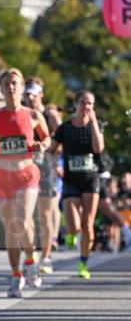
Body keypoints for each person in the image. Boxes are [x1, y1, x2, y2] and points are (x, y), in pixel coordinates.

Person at [0, 68, 50, 298]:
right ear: (1, 88)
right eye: (7, 83)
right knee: (11, 228)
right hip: (2, 176)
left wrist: (42, 145)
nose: (11, 87)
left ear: (21, 87)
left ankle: (30, 261)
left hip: (26, 175)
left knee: (22, 220)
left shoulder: (33, 115)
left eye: (15, 83)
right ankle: (16, 273)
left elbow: (47, 137)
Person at [47, 90, 104, 280]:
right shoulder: (65, 128)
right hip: (70, 179)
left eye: (90, 104)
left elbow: (98, 148)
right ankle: (71, 233)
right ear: (76, 105)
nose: (86, 107)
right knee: (73, 224)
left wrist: (94, 122)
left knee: (88, 224)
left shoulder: (96, 126)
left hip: (90, 178)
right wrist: (56, 165)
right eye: (83, 103)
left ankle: (83, 262)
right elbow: (50, 151)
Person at [22, 78, 61, 274]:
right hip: (23, 168)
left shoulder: (50, 114)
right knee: (25, 215)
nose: (29, 97)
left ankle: (46, 257)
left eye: (33, 93)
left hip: (46, 167)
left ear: (41, 94)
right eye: (26, 93)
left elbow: (63, 139)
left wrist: (48, 148)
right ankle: (31, 252)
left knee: (44, 215)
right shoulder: (20, 112)